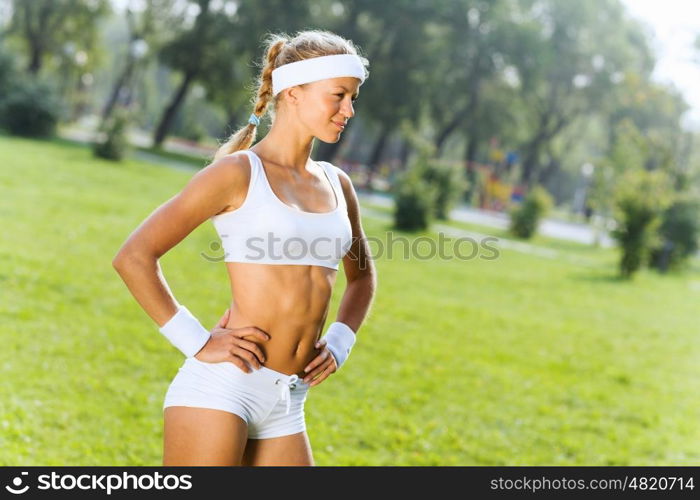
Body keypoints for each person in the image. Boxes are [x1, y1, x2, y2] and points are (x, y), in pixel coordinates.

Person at [112, 30, 377, 466]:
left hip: (288, 400)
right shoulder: (238, 174)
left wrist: (341, 342)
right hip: (222, 390)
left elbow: (362, 276)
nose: (348, 110)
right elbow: (134, 256)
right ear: (294, 92)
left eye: (353, 98)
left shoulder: (337, 183)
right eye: (339, 95)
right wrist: (196, 341)